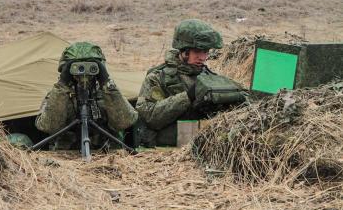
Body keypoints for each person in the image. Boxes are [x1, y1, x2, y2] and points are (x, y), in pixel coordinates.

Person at [135, 19, 245, 147]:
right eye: (198, 51)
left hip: (204, 147)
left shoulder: (209, 77)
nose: (203, 57)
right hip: (167, 152)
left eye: (206, 52)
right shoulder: (158, 77)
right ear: (184, 51)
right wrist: (187, 96)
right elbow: (149, 117)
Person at [35, 42, 138, 150]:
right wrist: (63, 83)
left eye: (91, 67)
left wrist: (105, 80)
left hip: (107, 152)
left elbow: (125, 122)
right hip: (66, 155)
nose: (84, 73)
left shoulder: (108, 92)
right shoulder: (59, 93)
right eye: (76, 67)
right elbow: (48, 126)